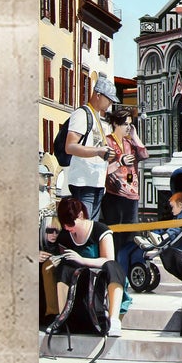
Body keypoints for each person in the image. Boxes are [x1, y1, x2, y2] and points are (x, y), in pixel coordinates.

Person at [42, 194, 124, 338]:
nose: (68, 228)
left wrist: (82, 259)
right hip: (77, 280)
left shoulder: (100, 230)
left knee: (114, 267)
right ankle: (61, 316)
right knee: (61, 267)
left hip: (100, 278)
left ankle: (114, 319)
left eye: (71, 224)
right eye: (65, 225)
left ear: (80, 215)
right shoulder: (65, 235)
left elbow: (108, 259)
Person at [64, 74, 117, 219]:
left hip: (96, 183)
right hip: (83, 183)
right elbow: (70, 147)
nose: (110, 104)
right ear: (98, 95)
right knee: (84, 226)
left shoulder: (97, 117)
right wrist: (98, 151)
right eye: (109, 99)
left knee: (90, 227)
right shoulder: (82, 114)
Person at [102, 103, 146, 229]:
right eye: (125, 124)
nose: (128, 128)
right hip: (114, 194)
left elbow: (144, 155)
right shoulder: (107, 141)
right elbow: (103, 169)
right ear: (116, 124)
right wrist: (120, 162)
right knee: (115, 230)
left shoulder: (130, 142)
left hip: (132, 194)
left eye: (130, 124)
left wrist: (135, 136)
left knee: (131, 230)